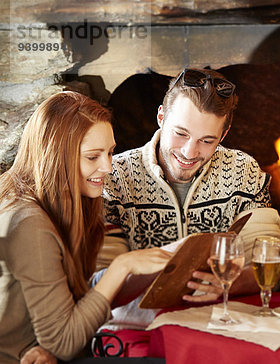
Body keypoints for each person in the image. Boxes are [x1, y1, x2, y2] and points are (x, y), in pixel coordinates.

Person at [98, 68, 280, 328]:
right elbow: (101, 288)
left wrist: (229, 283)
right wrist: (174, 257)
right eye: (180, 133)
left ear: (224, 134)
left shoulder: (245, 171)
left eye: (207, 141)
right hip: (134, 331)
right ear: (161, 117)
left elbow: (267, 269)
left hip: (217, 328)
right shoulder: (112, 177)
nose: (189, 152)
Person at [0, 91, 171, 363]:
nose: (108, 166)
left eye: (111, 152)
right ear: (56, 155)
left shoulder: (70, 199)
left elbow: (69, 309)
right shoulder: (29, 223)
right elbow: (64, 342)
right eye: (93, 157)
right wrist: (122, 266)